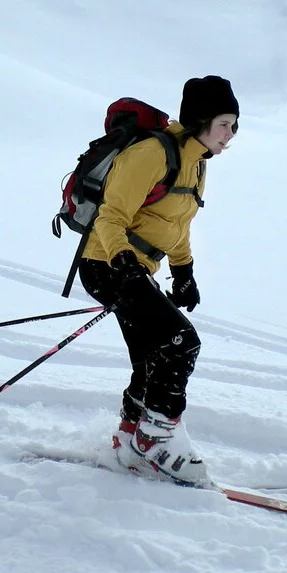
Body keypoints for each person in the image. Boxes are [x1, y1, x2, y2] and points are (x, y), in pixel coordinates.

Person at [77, 75, 239, 485]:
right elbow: (111, 216)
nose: (231, 134)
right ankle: (158, 439)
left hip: (135, 269)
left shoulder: (196, 163)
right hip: (106, 263)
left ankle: (130, 440)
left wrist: (183, 271)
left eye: (235, 125)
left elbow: (176, 224)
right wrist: (126, 265)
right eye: (225, 123)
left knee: (152, 355)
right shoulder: (152, 154)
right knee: (182, 342)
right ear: (201, 120)